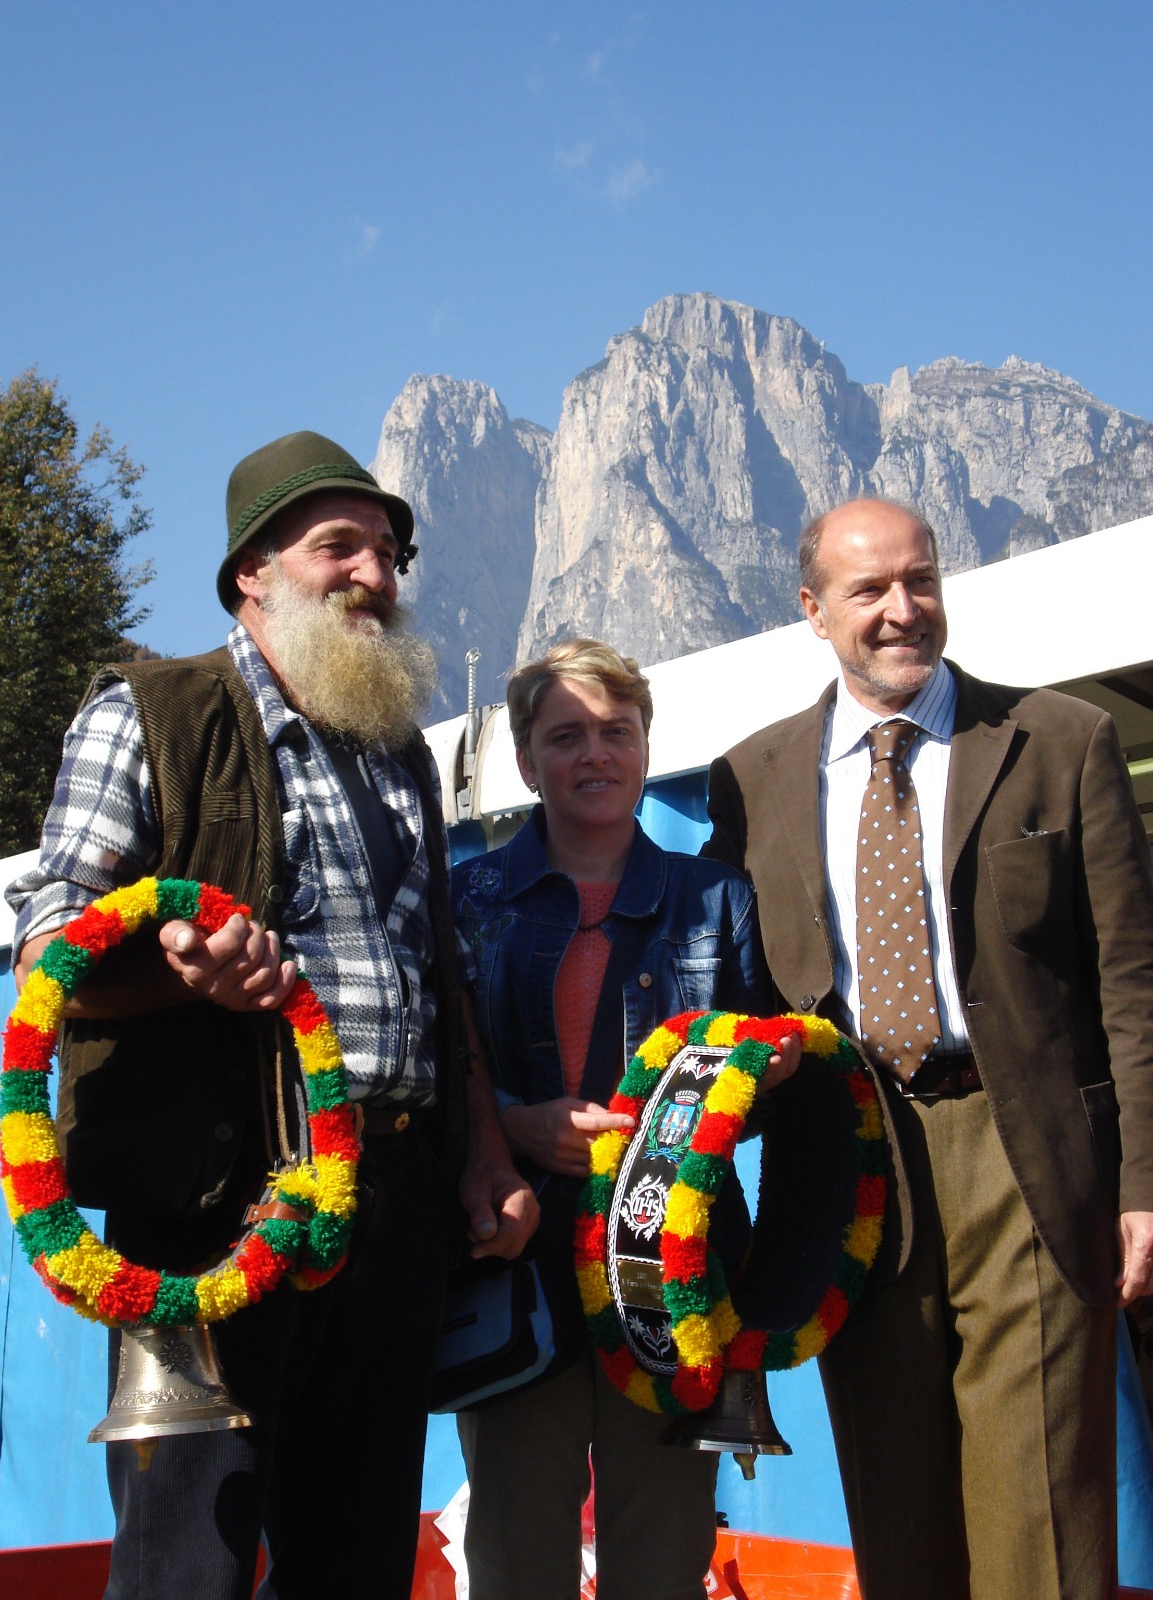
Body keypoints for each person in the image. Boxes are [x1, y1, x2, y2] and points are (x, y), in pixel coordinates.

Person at [7, 430, 537, 1600]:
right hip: (215, 1203)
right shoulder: (150, 712)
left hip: (392, 1209)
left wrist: (485, 1150)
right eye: (338, 546)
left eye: (389, 553)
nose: (374, 575)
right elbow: (50, 943)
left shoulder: (397, 747)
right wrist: (177, 963)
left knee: (356, 1562)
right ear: (251, 572)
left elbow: (441, 972)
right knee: (189, 1565)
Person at [703, 496, 1153, 1600]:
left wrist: (1145, 1184)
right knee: (898, 1520)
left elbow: (1133, 986)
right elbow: (730, 993)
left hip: (1028, 1156)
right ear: (814, 611)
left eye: (922, 580)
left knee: (1044, 1519)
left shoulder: (1061, 742)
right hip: (852, 1169)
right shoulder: (749, 779)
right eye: (870, 590)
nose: (903, 610)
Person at [451, 638, 800, 1600]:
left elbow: (759, 1094)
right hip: (514, 1264)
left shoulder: (718, 899)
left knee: (663, 1556)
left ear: (648, 746)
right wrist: (512, 1127)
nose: (596, 754)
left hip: (670, 1268)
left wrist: (761, 1079)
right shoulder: (466, 901)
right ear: (527, 762)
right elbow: (435, 1077)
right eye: (566, 736)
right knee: (516, 1560)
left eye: (617, 731)